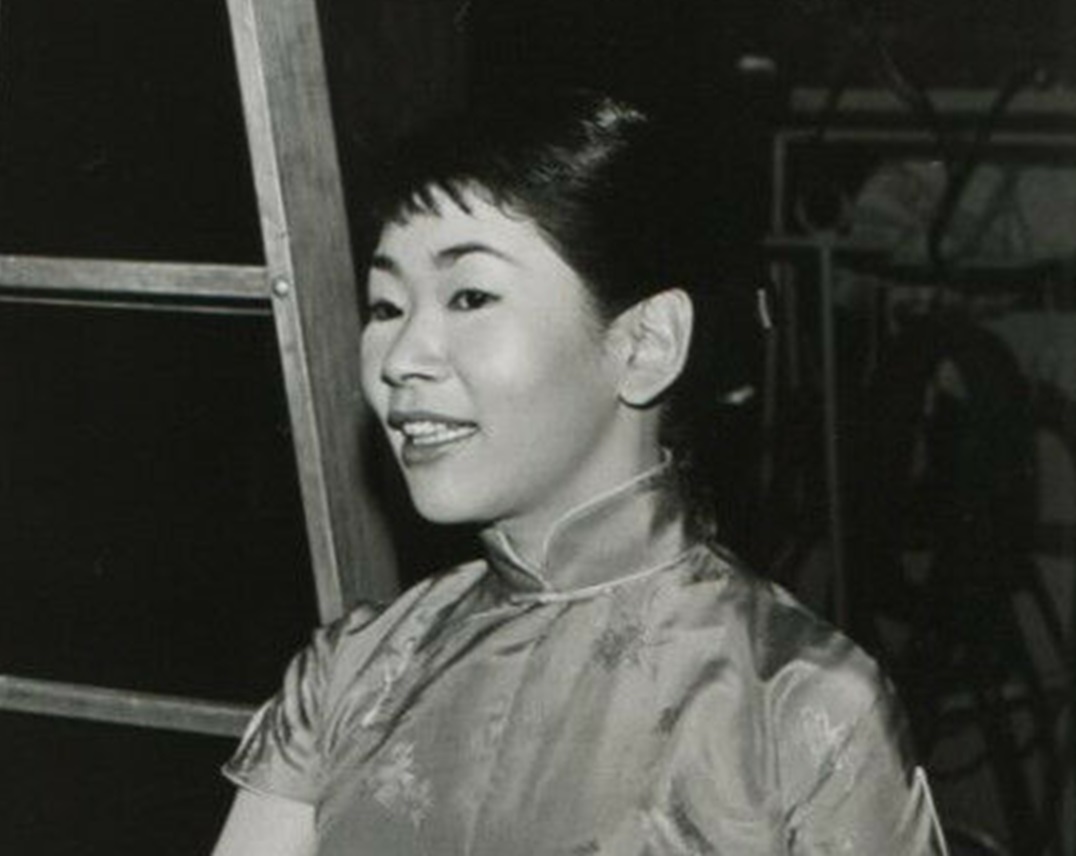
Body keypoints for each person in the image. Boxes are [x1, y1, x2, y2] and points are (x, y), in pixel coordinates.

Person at [211, 92, 948, 855]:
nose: (400, 360)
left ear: (646, 344)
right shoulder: (351, 676)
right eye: (386, 307)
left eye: (470, 297)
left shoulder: (798, 704)